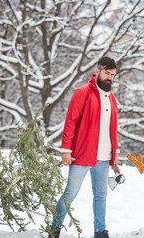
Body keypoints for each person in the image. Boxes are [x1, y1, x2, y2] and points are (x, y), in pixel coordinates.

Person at [49, 56, 119, 238]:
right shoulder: (82, 92)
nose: (109, 77)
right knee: (70, 194)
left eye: (112, 74)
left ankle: (100, 231)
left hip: (104, 158)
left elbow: (112, 128)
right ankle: (54, 229)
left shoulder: (111, 98)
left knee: (100, 196)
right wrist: (66, 150)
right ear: (97, 71)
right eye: (106, 73)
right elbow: (70, 122)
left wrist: (115, 154)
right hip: (81, 155)